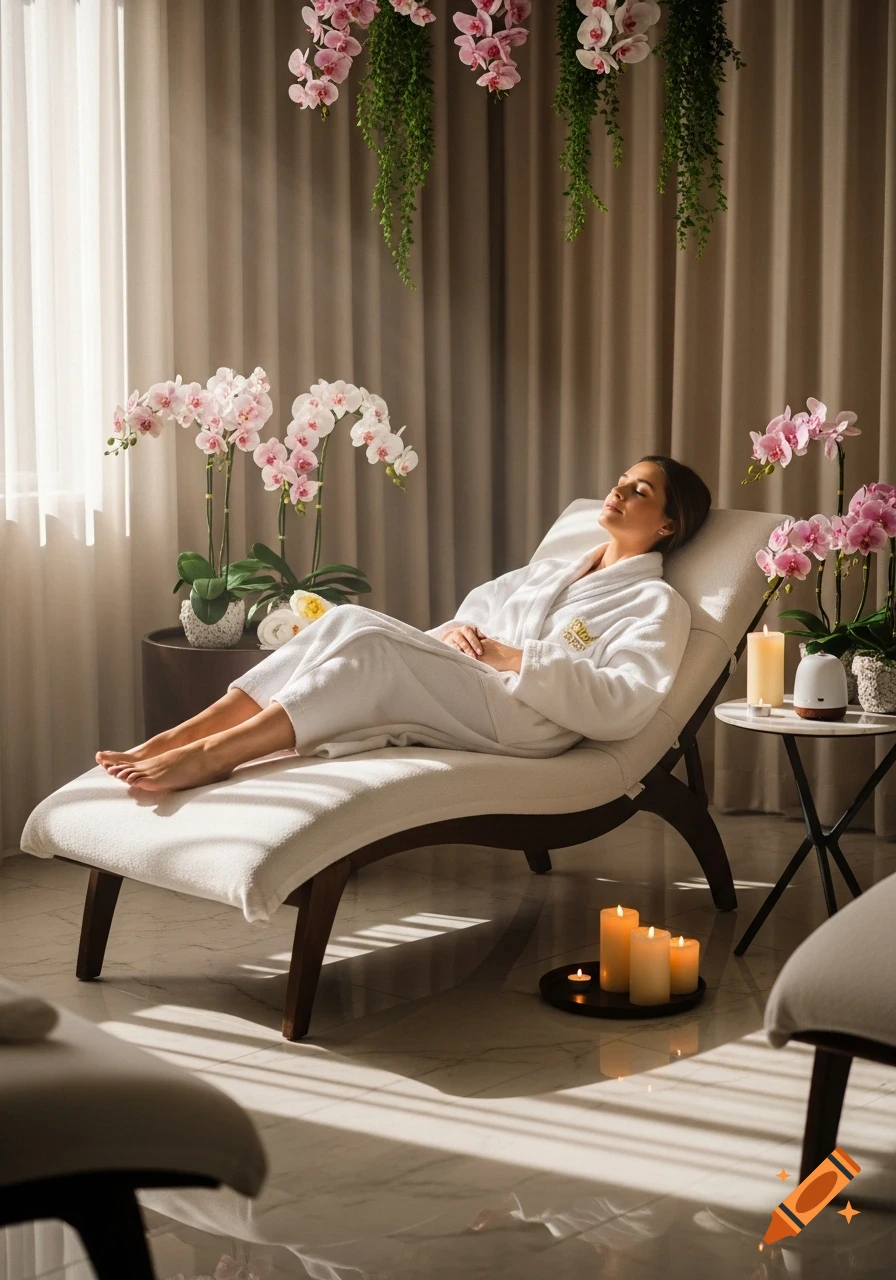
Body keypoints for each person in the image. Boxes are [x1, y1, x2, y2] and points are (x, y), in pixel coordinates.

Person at [97, 456, 711, 792]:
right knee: (350, 621)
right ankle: (183, 735)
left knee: (371, 649)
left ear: (667, 525)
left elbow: (628, 703)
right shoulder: (553, 568)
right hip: (476, 685)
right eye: (621, 481)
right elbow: (479, 610)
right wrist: (462, 634)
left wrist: (519, 661)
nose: (619, 492)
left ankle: (215, 754)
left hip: (530, 720)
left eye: (640, 491)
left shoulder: (656, 606)